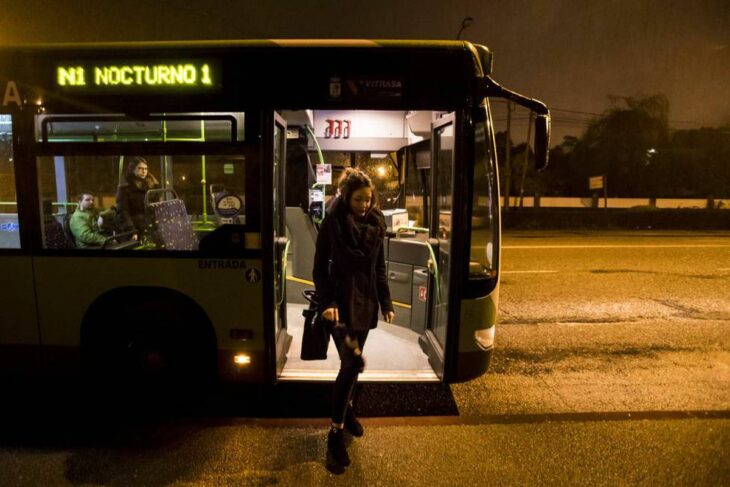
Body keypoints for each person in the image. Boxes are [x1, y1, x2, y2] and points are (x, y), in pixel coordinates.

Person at [312, 168, 394, 471]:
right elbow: (319, 271)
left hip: (366, 304)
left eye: (369, 199)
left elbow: (379, 268)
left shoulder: (375, 224)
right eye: (359, 199)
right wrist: (329, 302)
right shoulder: (331, 225)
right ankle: (334, 430)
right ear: (346, 197)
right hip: (341, 308)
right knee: (351, 364)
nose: (364, 205)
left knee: (355, 367)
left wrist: (386, 302)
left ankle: (346, 411)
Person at [116, 156, 159, 238]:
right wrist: (131, 230)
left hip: (150, 226)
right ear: (132, 169)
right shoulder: (125, 187)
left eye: (146, 168)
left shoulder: (152, 185)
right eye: (140, 168)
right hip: (134, 227)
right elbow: (123, 211)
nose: (144, 171)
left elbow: (156, 208)